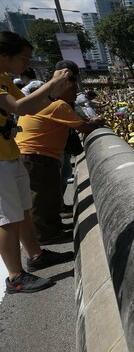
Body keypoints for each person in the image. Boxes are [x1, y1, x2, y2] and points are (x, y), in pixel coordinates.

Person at [1, 30, 73, 293]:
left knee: (22, 210)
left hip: (10, 151)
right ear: (4, 54)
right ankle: (15, 277)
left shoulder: (4, 78)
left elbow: (29, 106)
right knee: (7, 218)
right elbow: (18, 108)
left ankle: (36, 256)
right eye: (24, 58)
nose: (27, 64)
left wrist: (53, 93)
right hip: (0, 158)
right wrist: (51, 85)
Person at [16, 60, 105, 244]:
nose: (75, 94)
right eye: (73, 90)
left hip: (38, 155)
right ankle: (45, 235)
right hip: (35, 155)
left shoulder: (49, 101)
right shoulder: (58, 106)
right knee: (41, 198)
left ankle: (53, 227)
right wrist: (96, 122)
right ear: (63, 88)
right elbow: (84, 127)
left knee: (50, 195)